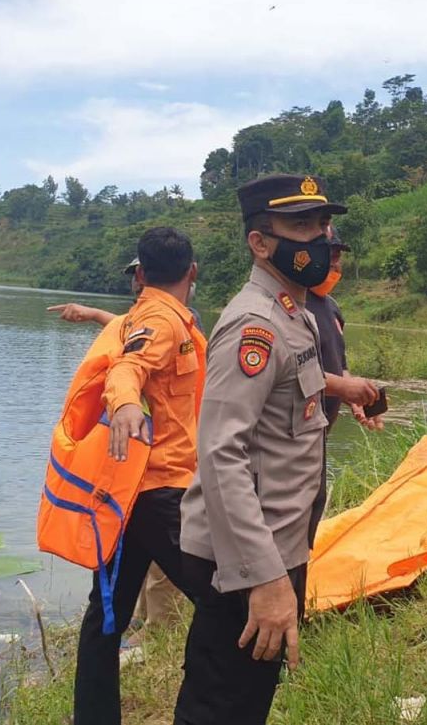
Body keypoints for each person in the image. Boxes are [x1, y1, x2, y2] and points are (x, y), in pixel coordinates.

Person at [174, 174, 346, 725]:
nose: (319, 237)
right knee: (222, 707)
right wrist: (265, 578)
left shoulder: (295, 313)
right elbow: (220, 454)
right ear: (260, 242)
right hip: (246, 558)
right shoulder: (256, 325)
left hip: (275, 546)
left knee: (244, 702)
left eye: (322, 223)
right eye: (301, 225)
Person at [70, 227, 205, 725]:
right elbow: (128, 367)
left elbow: (131, 348)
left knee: (106, 617)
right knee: (220, 601)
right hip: (157, 494)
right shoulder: (162, 320)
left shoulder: (161, 319)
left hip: (134, 494)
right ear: (193, 271)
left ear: (142, 273)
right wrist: (126, 403)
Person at [306, 224, 384, 432]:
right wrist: (344, 387)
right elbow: (289, 375)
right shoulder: (294, 307)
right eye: (328, 256)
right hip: (294, 435)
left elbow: (340, 368)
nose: (334, 264)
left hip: (320, 435)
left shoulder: (332, 307)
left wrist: (356, 395)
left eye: (337, 257)